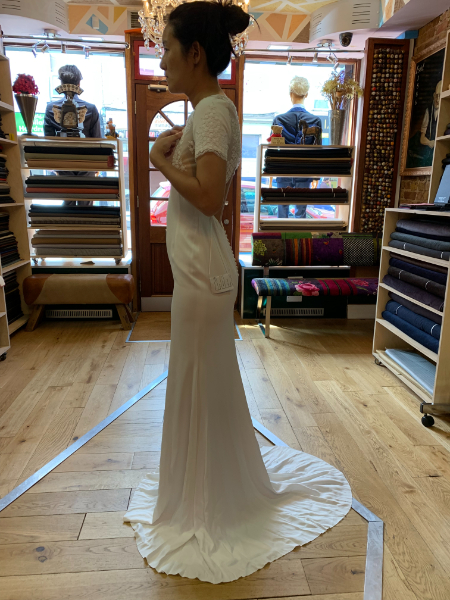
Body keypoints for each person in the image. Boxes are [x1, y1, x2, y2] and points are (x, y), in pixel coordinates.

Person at [123, 0, 351, 584]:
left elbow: (207, 198)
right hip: (200, 271)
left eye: (167, 49)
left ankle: (210, 502)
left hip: (205, 275)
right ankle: (200, 488)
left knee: (201, 385)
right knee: (199, 384)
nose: (162, 60)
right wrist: (170, 156)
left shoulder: (214, 111)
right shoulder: (208, 110)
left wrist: (157, 161)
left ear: (195, 53)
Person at [44, 65, 102, 206]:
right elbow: (97, 141)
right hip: (87, 163)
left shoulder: (51, 108)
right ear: (79, 84)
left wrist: (56, 167)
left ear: (61, 83)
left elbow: (48, 141)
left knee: (67, 206)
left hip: (63, 162)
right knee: (86, 207)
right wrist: (97, 167)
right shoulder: (91, 109)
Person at [272, 76, 322, 218]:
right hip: (304, 171)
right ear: (306, 95)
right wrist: (316, 176)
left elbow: (273, 149)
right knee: (301, 215)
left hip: (283, 170)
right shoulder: (315, 120)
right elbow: (317, 151)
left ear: (290, 94)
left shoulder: (279, 120)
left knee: (282, 214)